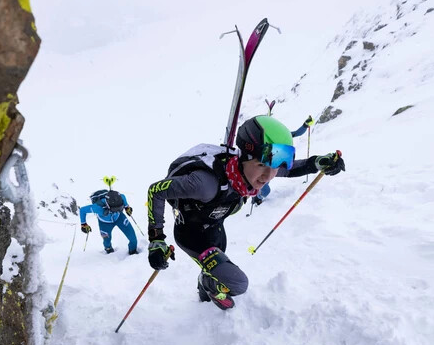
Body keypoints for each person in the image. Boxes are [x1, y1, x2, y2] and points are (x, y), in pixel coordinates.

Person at [145, 115, 345, 310]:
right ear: (243, 159)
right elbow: (157, 190)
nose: (268, 176)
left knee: (216, 270)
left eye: (274, 167)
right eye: (261, 165)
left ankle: (206, 285)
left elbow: (289, 169)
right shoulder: (206, 185)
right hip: (192, 235)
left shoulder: (251, 172)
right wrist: (156, 239)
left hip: (215, 229)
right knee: (238, 283)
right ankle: (209, 283)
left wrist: (318, 162)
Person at [252, 115, 315, 206]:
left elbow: (297, 133)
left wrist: (305, 125)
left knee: (266, 186)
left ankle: (258, 196)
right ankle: (257, 198)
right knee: (266, 190)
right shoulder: (263, 140)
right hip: (265, 167)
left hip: (274, 165)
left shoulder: (282, 137)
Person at [80, 189, 138, 255]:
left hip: (119, 217)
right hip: (104, 223)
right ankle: (109, 249)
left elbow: (123, 196)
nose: (117, 210)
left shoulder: (120, 197)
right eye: (115, 209)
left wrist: (127, 207)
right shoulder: (98, 208)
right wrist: (83, 224)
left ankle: (133, 251)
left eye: (120, 209)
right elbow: (82, 210)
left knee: (133, 238)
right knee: (106, 241)